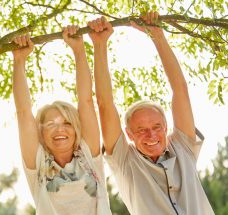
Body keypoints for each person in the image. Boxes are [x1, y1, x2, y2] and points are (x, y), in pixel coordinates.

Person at [89, 11, 214, 214]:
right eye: (141, 130)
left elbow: (180, 90)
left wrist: (158, 36)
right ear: (128, 134)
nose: (151, 135)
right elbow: (105, 104)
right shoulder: (124, 161)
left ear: (166, 127)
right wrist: (99, 45)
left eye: (157, 127)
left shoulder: (182, 147)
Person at [11, 23, 112, 214]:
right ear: (40, 131)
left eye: (67, 123)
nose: (60, 130)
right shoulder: (38, 164)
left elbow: (86, 101)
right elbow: (23, 112)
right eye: (51, 124)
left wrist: (79, 49)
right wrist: (19, 60)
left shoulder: (88, 156)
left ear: (76, 129)